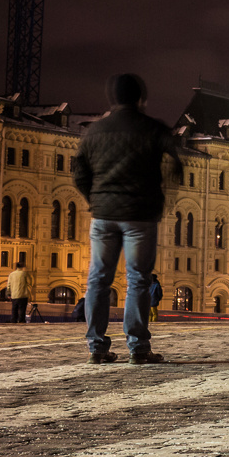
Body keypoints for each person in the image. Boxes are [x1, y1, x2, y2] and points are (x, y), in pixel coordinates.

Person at [74, 73, 183, 364]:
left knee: (97, 281)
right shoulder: (151, 128)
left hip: (103, 216)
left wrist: (95, 199)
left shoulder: (94, 131)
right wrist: (164, 197)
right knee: (138, 280)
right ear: (141, 98)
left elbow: (79, 173)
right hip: (140, 216)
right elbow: (176, 161)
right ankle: (138, 348)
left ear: (113, 98)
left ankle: (96, 347)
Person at [7, 259, 33, 324]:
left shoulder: (11, 274)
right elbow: (30, 283)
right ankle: (21, 321)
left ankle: (13, 321)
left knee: (14, 309)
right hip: (23, 295)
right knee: (22, 310)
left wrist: (8, 294)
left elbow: (8, 285)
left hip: (14, 295)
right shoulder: (24, 274)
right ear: (23, 267)